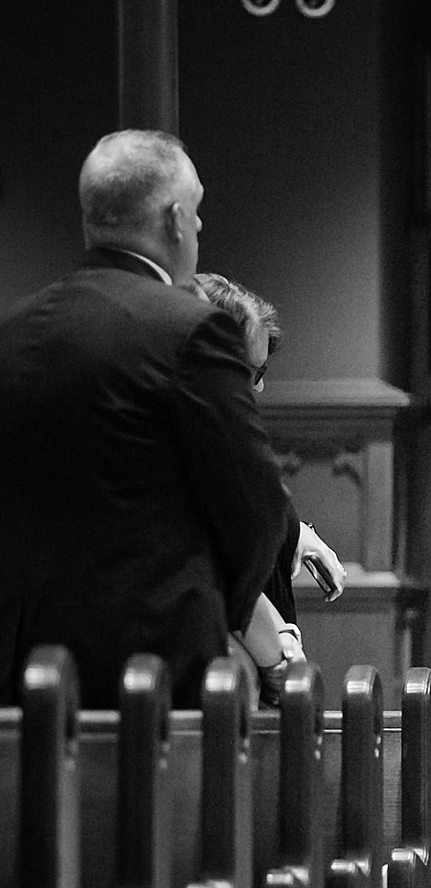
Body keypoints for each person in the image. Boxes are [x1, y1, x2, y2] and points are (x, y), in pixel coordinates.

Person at [0, 130, 291, 709]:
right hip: (154, 668)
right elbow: (256, 510)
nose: (202, 229)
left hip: (27, 667)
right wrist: (227, 617)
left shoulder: (17, 330)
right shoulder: (189, 329)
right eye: (200, 212)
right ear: (176, 219)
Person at [194, 272, 348, 704]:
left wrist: (297, 530)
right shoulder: (201, 430)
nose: (259, 385)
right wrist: (278, 653)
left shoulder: (220, 427)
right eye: (252, 370)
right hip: (224, 673)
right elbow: (217, 564)